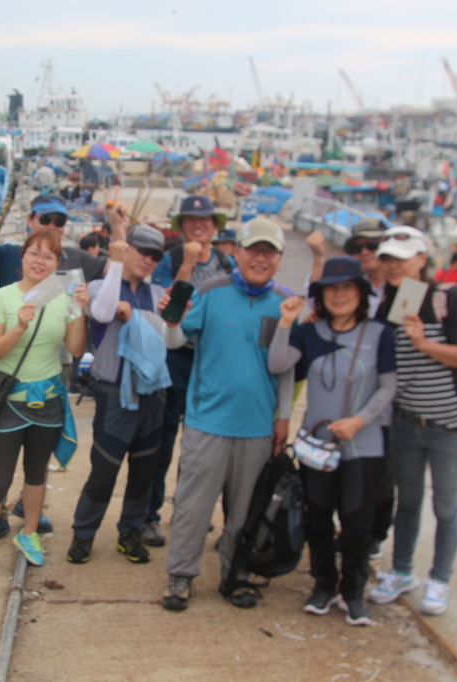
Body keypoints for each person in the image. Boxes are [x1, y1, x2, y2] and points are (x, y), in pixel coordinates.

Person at [0, 170, 127, 538]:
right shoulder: (8, 255)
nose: (51, 225)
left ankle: (26, 507)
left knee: (37, 458)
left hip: (55, 367)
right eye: (44, 219)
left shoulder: (76, 258)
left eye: (59, 220)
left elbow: (117, 267)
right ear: (30, 222)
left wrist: (117, 227)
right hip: (7, 366)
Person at [161, 217, 294, 611]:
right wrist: (171, 317)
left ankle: (234, 574)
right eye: (253, 249)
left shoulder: (284, 303)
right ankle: (180, 576)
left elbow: (283, 368)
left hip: (257, 427)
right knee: (192, 506)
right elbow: (176, 339)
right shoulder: (211, 292)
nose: (260, 258)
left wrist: (283, 417)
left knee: (243, 512)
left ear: (279, 259)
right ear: (236, 252)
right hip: (207, 421)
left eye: (269, 252)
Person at [268, 256, 397, 626]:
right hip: (317, 445)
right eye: (331, 289)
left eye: (347, 287)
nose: (339, 295)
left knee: (358, 526)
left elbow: (389, 387)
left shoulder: (379, 333)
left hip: (365, 445)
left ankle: (353, 591)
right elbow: (278, 365)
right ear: (320, 296)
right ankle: (323, 584)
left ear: (360, 292)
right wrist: (286, 323)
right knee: (318, 519)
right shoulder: (309, 333)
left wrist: (359, 421)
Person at [370, 226, 457, 616]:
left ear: (422, 259)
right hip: (406, 422)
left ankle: (440, 579)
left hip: (449, 426)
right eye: (387, 258)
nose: (393, 265)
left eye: (401, 257)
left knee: (446, 505)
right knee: (409, 502)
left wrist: (425, 345)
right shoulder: (393, 302)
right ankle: (402, 572)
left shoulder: (447, 297)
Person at [0, 228, 88, 579]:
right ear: (22, 257)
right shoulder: (1, 298)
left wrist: (79, 310)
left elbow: (77, 349)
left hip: (48, 400)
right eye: (34, 252)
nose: (40, 260)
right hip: (7, 403)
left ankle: (30, 533)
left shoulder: (61, 297)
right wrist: (18, 327)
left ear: (57, 264)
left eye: (48, 256)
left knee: (36, 476)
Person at [67, 225, 184, 566]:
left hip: (152, 394)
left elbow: (171, 338)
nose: (148, 260)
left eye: (155, 256)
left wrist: (146, 315)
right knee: (103, 470)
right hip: (113, 392)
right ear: (126, 250)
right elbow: (102, 313)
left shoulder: (158, 292)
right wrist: (115, 264)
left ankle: (130, 532)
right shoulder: (101, 287)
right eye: (142, 252)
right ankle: (83, 534)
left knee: (144, 470)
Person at [145, 195, 235, 548]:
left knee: (200, 444)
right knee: (164, 440)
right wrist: (187, 264)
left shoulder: (226, 262)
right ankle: (150, 515)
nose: (199, 225)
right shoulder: (168, 261)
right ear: (181, 226)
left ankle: (187, 510)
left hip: (210, 361)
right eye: (191, 220)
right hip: (175, 356)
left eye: (206, 219)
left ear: (215, 225)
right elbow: (166, 308)